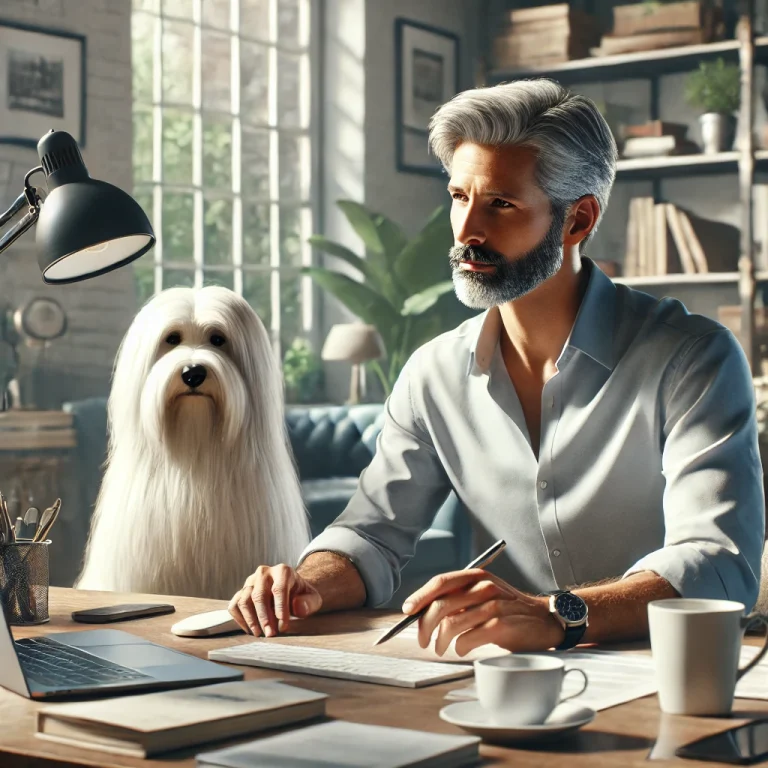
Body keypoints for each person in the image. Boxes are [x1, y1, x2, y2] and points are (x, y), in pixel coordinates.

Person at [228, 78, 765, 656]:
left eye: (500, 204)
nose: (466, 232)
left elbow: (718, 562)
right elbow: (371, 535)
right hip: (505, 679)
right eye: (460, 197)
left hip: (674, 671)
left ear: (578, 221)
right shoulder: (432, 374)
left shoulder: (694, 358)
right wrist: (306, 586)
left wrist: (558, 614)